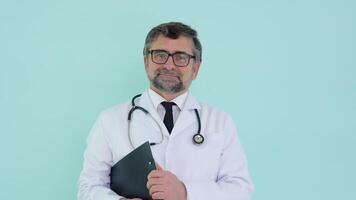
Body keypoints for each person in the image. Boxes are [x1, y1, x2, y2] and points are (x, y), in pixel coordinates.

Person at [78, 22, 254, 200]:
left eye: (181, 57)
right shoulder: (110, 120)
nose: (169, 65)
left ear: (196, 68)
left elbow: (241, 190)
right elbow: (88, 186)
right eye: (160, 55)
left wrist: (185, 193)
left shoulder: (220, 121)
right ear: (146, 62)